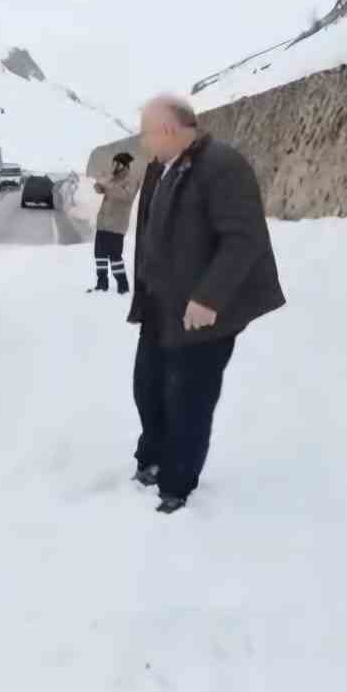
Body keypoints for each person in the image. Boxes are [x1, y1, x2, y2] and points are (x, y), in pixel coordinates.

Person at [127, 95, 285, 514]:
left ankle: (176, 486)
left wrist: (208, 297)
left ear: (168, 129)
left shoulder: (222, 165)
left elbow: (244, 239)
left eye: (146, 132)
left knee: (188, 400)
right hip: (162, 305)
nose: (143, 142)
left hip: (203, 313)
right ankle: (152, 458)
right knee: (148, 387)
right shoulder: (161, 168)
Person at [88, 152, 137, 293]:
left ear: (123, 164)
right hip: (103, 223)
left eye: (116, 163)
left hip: (116, 225)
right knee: (100, 255)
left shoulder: (131, 179)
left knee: (114, 256)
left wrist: (110, 184)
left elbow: (126, 197)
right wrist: (106, 178)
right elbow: (98, 189)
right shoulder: (113, 177)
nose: (114, 165)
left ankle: (123, 285)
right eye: (113, 163)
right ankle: (102, 283)